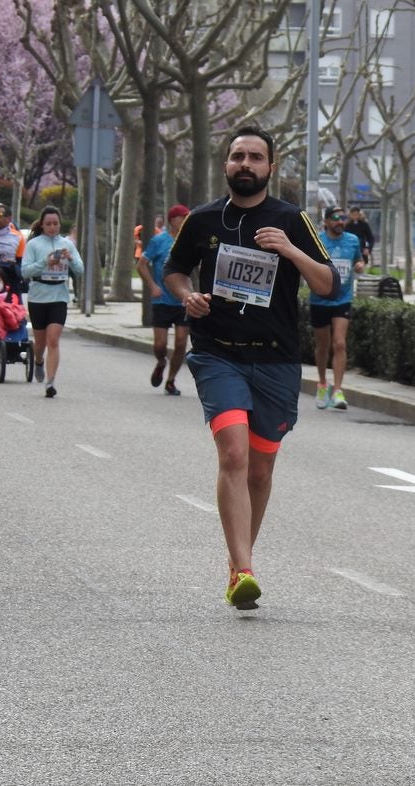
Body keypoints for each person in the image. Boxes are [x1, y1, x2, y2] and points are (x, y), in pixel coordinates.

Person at [163, 124, 339, 611]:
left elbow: (327, 284)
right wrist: (187, 296)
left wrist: (288, 249)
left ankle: (239, 558)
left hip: (277, 360)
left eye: (255, 157)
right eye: (237, 155)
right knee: (234, 455)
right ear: (226, 165)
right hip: (218, 353)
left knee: (260, 470)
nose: (245, 164)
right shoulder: (201, 221)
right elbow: (174, 271)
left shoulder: (291, 219)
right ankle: (243, 569)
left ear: (270, 167)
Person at [21, 206, 84, 398]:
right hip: (38, 296)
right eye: (48, 224)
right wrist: (45, 263)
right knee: (40, 343)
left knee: (53, 339)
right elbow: (25, 272)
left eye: (55, 224)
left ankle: (50, 382)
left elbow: (80, 270)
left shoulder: (66, 244)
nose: (52, 227)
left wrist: (70, 259)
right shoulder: (33, 245)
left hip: (59, 296)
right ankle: (38, 359)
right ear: (42, 224)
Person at [312, 206, 364, 410]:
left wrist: (359, 265)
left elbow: (359, 259)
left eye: (343, 218)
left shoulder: (352, 240)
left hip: (342, 299)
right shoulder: (318, 241)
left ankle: (338, 391)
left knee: (340, 343)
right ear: (326, 222)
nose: (340, 221)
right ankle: (323, 383)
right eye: (335, 218)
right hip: (320, 299)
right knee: (323, 345)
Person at [137, 204, 192, 395]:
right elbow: (141, 265)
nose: (186, 220)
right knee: (160, 345)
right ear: (172, 220)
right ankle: (161, 361)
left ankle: (171, 380)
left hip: (183, 299)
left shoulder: (189, 240)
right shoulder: (159, 241)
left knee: (180, 342)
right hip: (162, 300)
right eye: (182, 217)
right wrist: (153, 286)